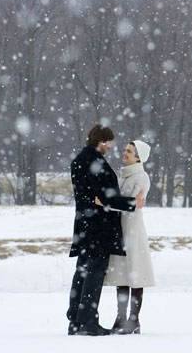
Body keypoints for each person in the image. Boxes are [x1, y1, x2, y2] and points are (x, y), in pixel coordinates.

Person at [67, 124, 145, 336]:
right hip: (98, 227)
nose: (109, 146)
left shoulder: (78, 161)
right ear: (100, 142)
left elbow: (88, 195)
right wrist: (132, 204)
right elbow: (107, 197)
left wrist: (95, 201)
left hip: (83, 224)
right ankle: (89, 321)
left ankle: (74, 319)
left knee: (81, 272)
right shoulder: (96, 162)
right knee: (94, 274)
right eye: (107, 142)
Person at [103, 140, 155, 334]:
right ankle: (120, 318)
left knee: (136, 274)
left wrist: (106, 202)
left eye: (129, 151)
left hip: (133, 231)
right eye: (125, 149)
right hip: (121, 230)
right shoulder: (123, 176)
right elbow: (123, 201)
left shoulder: (142, 177)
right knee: (122, 276)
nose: (124, 153)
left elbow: (132, 203)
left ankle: (134, 320)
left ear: (138, 157)